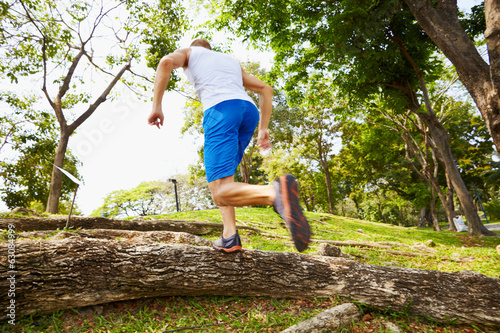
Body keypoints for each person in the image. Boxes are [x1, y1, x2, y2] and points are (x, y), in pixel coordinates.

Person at [147, 39, 310, 252]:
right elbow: (265, 89)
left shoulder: (189, 53)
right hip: (248, 111)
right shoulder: (229, 61)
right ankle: (230, 235)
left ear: (195, 49)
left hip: (221, 109)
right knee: (225, 181)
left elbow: (166, 62)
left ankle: (275, 194)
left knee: (220, 192)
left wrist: (156, 106)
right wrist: (263, 128)